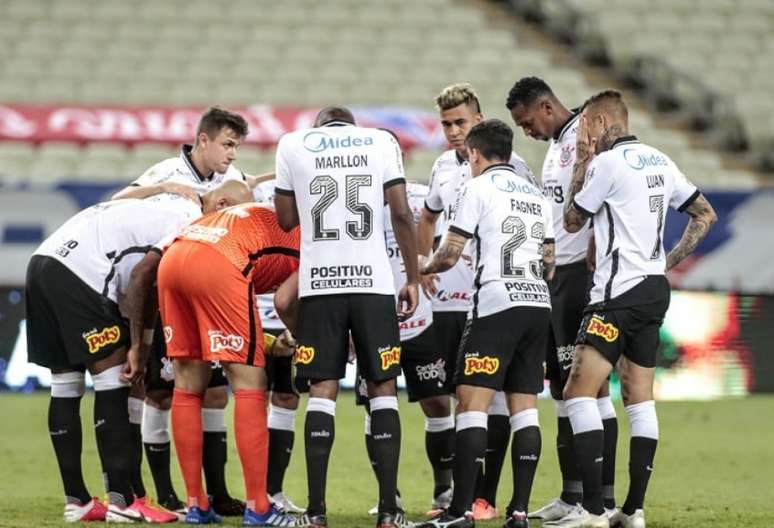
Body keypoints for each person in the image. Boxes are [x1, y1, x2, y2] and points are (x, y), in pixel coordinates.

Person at [26, 182, 251, 523]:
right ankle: (122, 500)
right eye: (232, 217)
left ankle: (79, 501)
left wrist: (142, 347)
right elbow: (141, 280)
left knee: (66, 385)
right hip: (83, 273)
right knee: (115, 379)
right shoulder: (191, 223)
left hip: (45, 260)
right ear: (219, 202)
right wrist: (136, 348)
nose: (230, 229)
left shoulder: (169, 203)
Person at [546, 90, 717, 528]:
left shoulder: (605, 163)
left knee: (576, 393)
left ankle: (594, 511)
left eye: (585, 125)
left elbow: (570, 220)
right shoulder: (661, 160)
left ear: (600, 122)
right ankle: (634, 511)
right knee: (640, 402)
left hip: (614, 294)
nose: (582, 133)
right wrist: (667, 263)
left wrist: (582, 162)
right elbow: (704, 215)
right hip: (653, 291)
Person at [274, 106, 419, 528]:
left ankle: (316, 513)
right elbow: (402, 214)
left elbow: (285, 220)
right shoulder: (380, 142)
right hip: (373, 284)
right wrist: (410, 278)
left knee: (321, 389)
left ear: (320, 127)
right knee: (384, 388)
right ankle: (390, 513)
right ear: (352, 128)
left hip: (320, 284)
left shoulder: (293, 143)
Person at [113, 106, 252, 516]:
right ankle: (165, 492)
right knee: (159, 392)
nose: (232, 154)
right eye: (227, 144)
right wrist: (167, 189)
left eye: (237, 147)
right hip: (159, 294)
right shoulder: (166, 172)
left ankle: (219, 492)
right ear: (202, 140)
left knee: (212, 393)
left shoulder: (227, 181)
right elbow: (118, 200)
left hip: (201, 298)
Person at [128, 201, 301, 526]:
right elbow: (286, 301)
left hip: (176, 259)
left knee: (188, 386)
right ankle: (259, 508)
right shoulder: (313, 240)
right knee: (250, 384)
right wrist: (299, 338)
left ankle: (196, 505)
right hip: (221, 263)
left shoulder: (251, 211)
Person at [418, 119, 554, 528]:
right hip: (537, 305)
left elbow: (451, 253)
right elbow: (550, 264)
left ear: (475, 154)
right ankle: (519, 512)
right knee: (524, 408)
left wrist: (419, 268)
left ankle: (460, 512)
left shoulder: (476, 188)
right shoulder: (537, 196)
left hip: (496, 304)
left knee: (471, 403)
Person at [506, 77, 620, 521]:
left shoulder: (586, 136)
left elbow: (606, 194)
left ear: (546, 106)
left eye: (526, 121)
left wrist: (597, 245)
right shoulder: (557, 144)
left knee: (589, 388)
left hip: (581, 277)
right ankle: (572, 496)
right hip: (557, 276)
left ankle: (603, 500)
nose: (525, 130)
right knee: (560, 386)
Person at [359, 178, 455, 517]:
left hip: (421, 320)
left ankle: (444, 491)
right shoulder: (357, 199)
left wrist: (427, 262)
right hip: (372, 320)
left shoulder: (420, 197)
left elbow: (445, 238)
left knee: (438, 403)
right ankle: (389, 496)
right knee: (375, 406)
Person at [252, 178, 307, 515]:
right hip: (252, 318)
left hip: (291, 318)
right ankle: (253, 493)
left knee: (287, 397)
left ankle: (274, 490)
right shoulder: (255, 200)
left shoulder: (310, 204)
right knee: (251, 399)